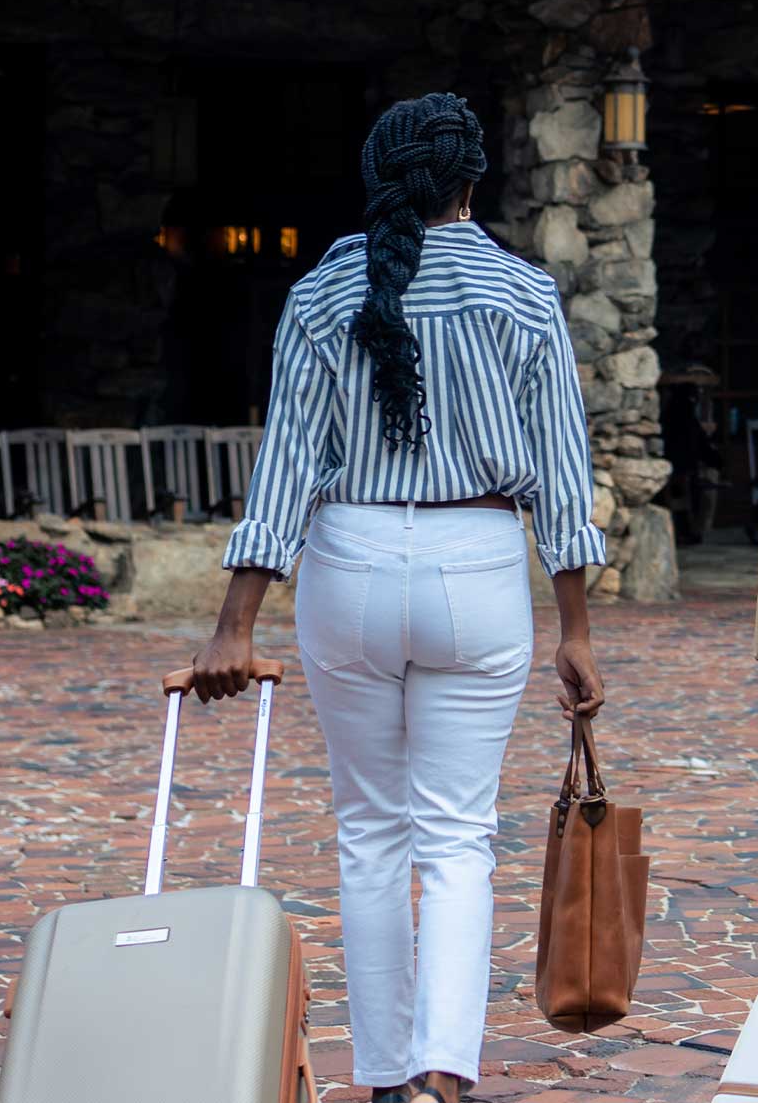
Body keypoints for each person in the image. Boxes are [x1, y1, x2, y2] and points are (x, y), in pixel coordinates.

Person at [186, 93, 608, 1103]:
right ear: (474, 182)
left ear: (377, 178)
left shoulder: (322, 295)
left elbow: (286, 465)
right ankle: (443, 1075)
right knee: (459, 835)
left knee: (371, 830)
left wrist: (233, 623)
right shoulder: (521, 293)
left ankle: (381, 1077)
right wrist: (577, 629)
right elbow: (560, 470)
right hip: (478, 561)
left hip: (350, 561)